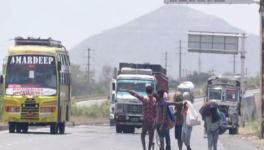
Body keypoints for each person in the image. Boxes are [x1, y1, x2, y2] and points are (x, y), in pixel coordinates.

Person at [126, 85, 156, 150]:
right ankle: (149, 148)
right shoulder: (154, 100)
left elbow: (136, 95)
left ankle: (144, 148)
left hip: (145, 121)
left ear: (146, 91)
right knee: (151, 137)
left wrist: (129, 91)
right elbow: (156, 111)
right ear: (152, 91)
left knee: (143, 135)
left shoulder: (145, 99)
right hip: (152, 121)